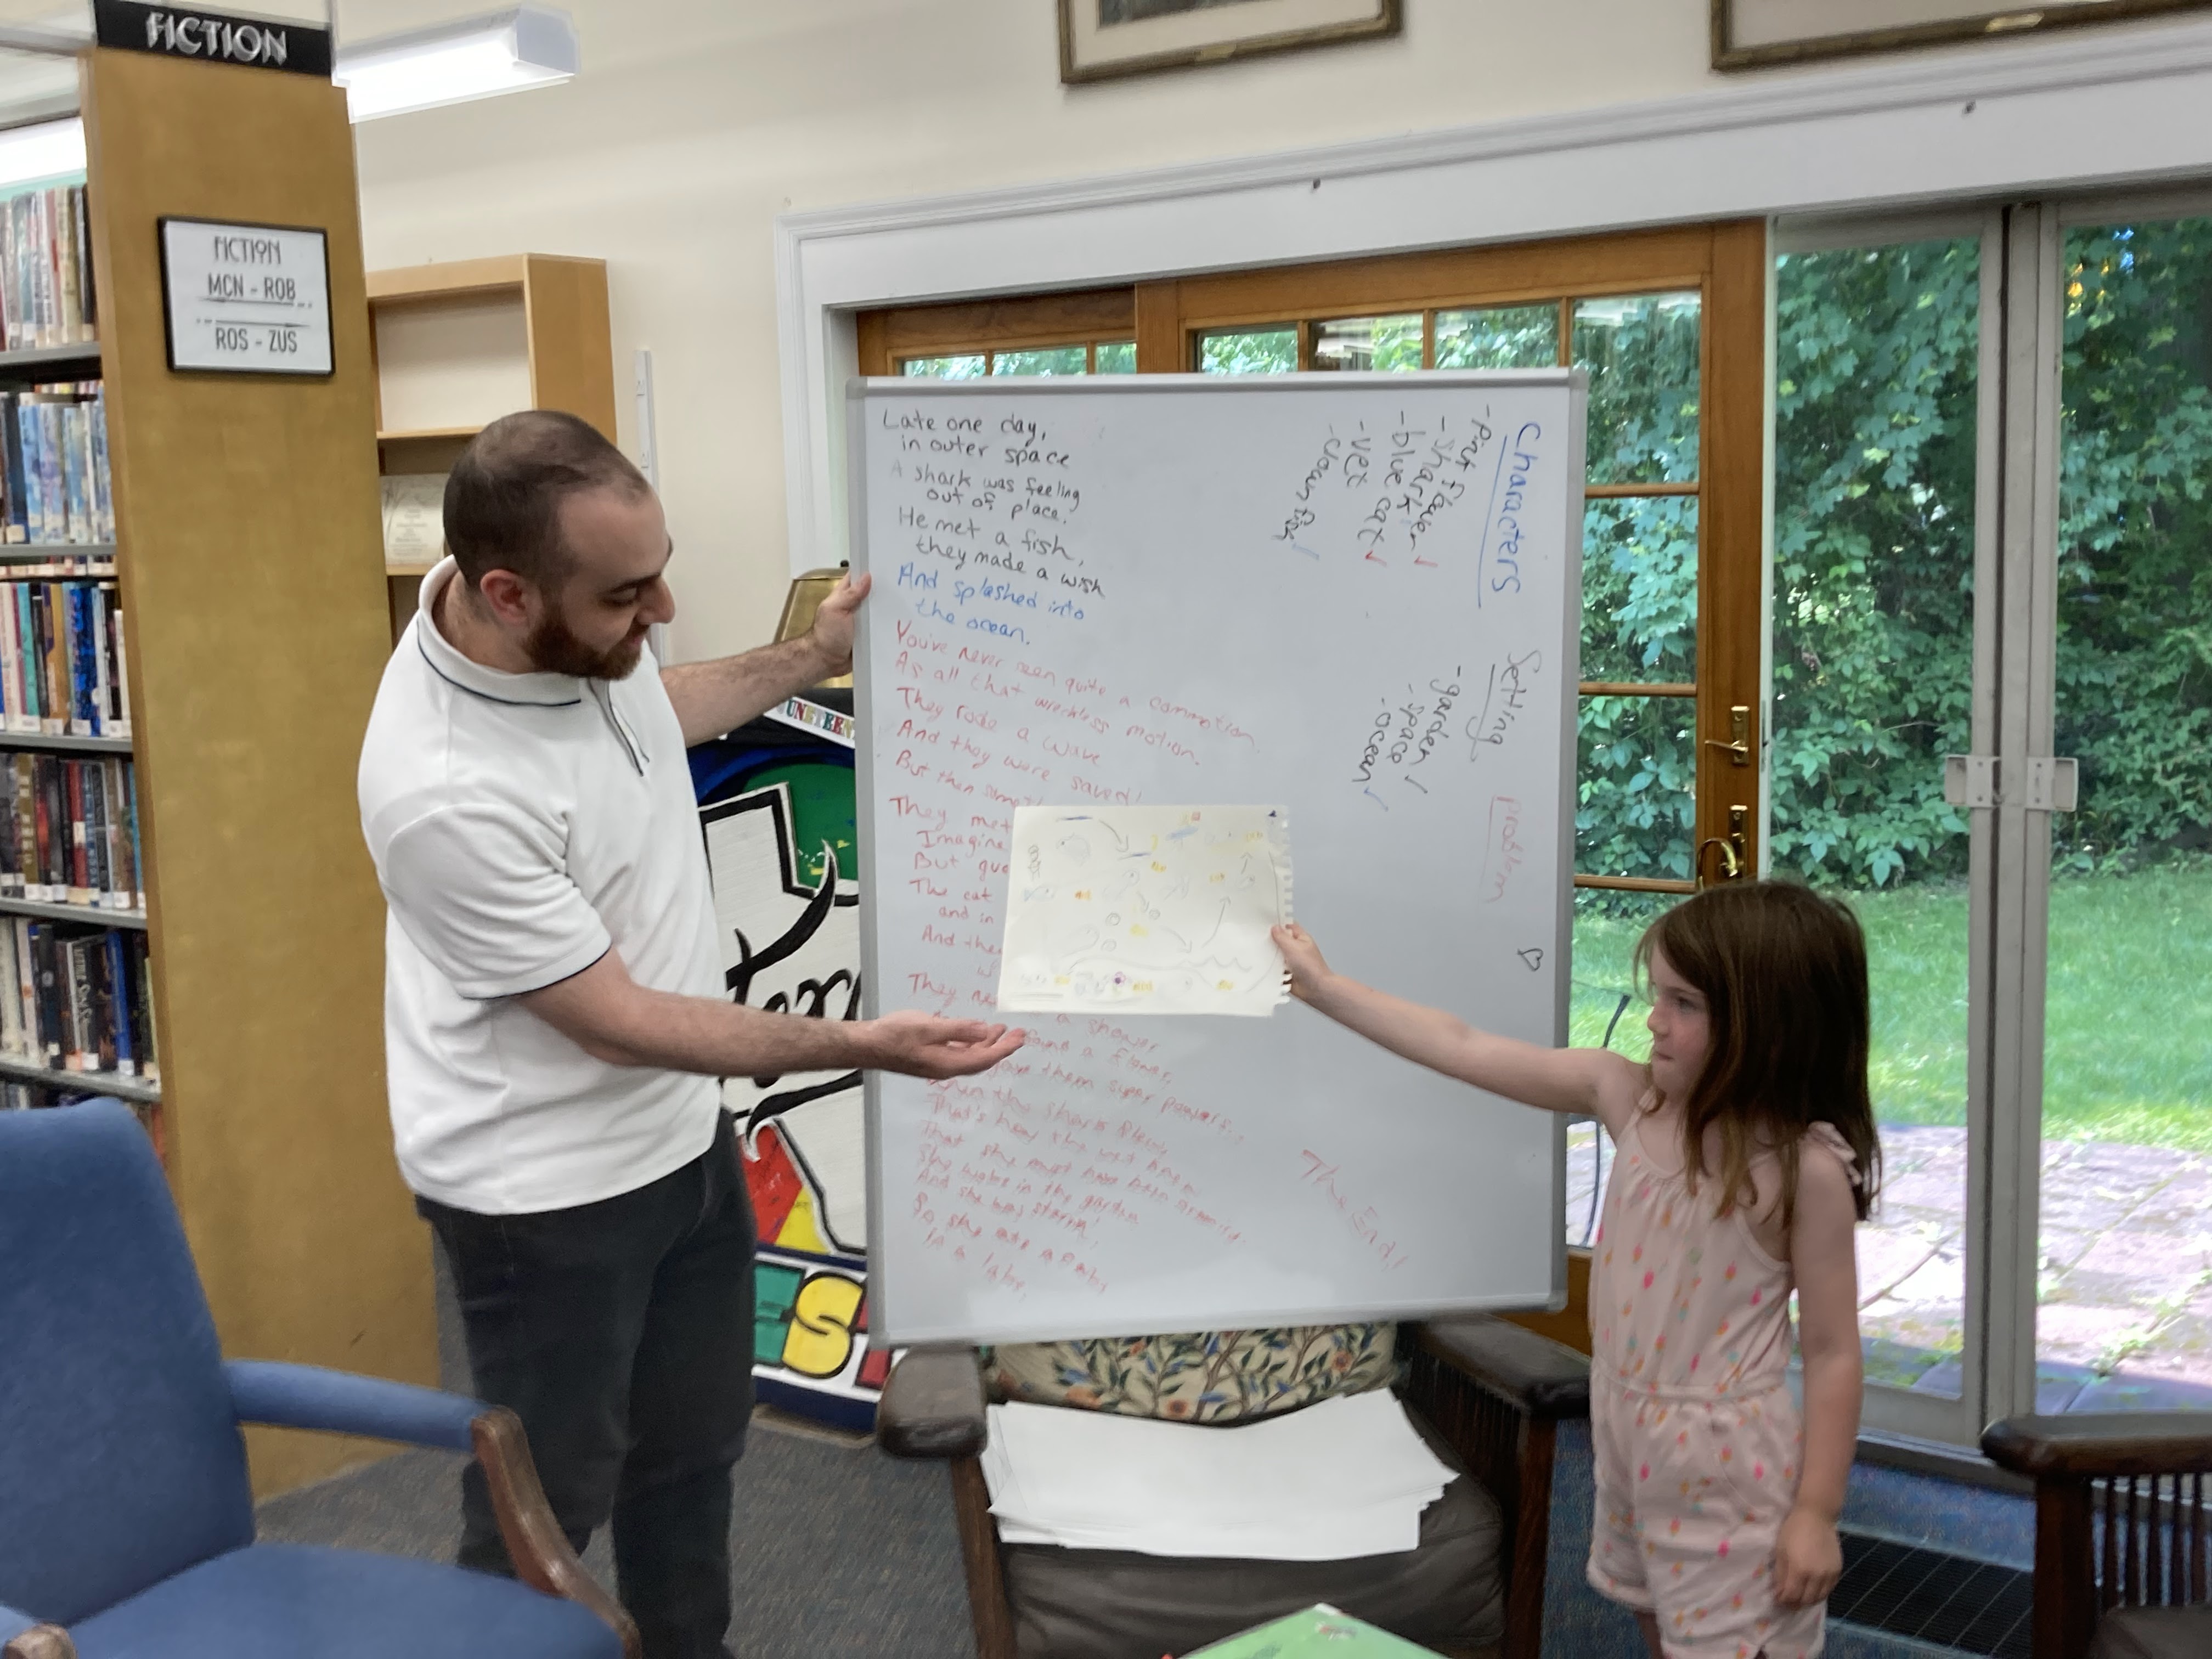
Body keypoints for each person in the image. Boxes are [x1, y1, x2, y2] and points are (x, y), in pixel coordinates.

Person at [357, 409, 1025, 1659]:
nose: (661, 605)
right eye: (628, 590)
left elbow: (655, 706)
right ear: (506, 592)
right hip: (541, 1194)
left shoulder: (544, 640)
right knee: (545, 1503)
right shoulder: (444, 789)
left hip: (679, 1146)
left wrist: (808, 655)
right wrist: (868, 1046)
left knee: (694, 1448)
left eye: (664, 564)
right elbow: (617, 1025)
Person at [1274, 881, 1879, 1659]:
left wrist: (1815, 1515)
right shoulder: (1627, 1098)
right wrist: (1324, 988)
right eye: (1658, 996)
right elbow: (1461, 1046)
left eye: (1684, 1003)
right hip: (1626, 1435)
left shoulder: (1805, 1173)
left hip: (1726, 1469)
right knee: (1660, 1630)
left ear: (1768, 1026)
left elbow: (1833, 1354)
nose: (1656, 1019)